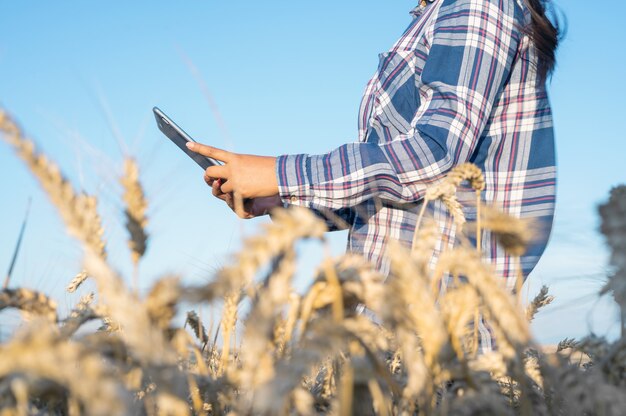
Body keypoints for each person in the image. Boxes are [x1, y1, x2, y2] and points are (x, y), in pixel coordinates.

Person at [186, 0, 560, 353]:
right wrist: (283, 201)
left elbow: (435, 153)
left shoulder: (476, 5)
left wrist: (281, 173)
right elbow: (395, 192)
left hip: (434, 315)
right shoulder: (436, 14)